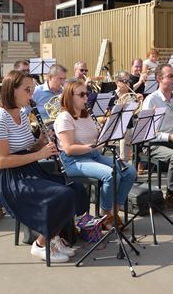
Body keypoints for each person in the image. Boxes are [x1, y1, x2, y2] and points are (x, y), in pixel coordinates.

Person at [0, 70, 89, 263]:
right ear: (11, 90)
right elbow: (2, 161)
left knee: (74, 188)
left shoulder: (22, 115)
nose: (31, 94)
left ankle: (54, 236)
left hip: (29, 170)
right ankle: (41, 243)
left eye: (32, 89)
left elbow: (26, 148)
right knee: (62, 194)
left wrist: (41, 142)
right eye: (27, 90)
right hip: (11, 179)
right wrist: (39, 154)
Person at [55, 79, 135, 229]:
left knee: (130, 171)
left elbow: (98, 138)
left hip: (93, 155)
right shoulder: (64, 117)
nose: (87, 97)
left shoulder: (86, 114)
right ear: (70, 97)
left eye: (87, 94)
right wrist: (91, 146)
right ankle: (105, 213)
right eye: (82, 94)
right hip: (73, 160)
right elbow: (68, 148)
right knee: (111, 174)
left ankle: (114, 210)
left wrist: (111, 132)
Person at [141, 64, 173, 210]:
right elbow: (146, 132)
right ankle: (170, 194)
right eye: (170, 76)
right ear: (159, 78)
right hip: (153, 144)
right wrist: (170, 137)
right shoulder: (151, 100)